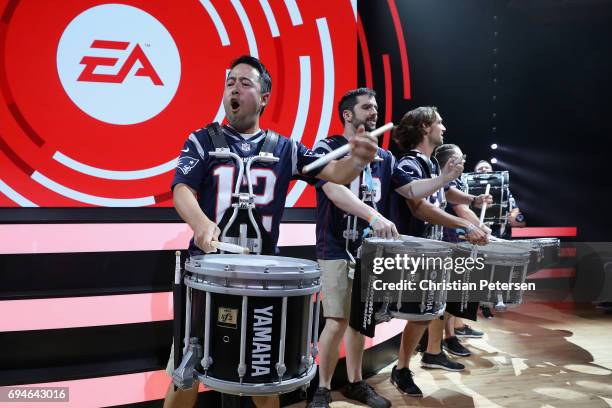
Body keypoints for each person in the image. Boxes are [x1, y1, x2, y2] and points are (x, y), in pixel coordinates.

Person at [164, 55, 379, 408]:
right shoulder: (202, 139)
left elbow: (336, 175)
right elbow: (181, 190)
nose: (234, 88)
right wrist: (201, 224)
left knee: (266, 378)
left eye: (245, 83)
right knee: (186, 371)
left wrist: (357, 160)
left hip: (262, 281)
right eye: (230, 82)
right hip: (206, 276)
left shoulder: (286, 148)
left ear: (264, 97)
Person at [308, 90, 466, 408]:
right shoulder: (327, 147)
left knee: (359, 322)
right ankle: (321, 388)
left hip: (369, 251)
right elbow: (335, 190)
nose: (374, 112)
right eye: (366, 108)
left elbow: (410, 189)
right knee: (337, 320)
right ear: (348, 115)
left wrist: (443, 179)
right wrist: (374, 215)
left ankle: (355, 382)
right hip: (336, 247)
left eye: (376, 108)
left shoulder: (386, 157)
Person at [386, 107, 491, 397]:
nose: (443, 127)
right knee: (418, 314)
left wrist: (472, 197)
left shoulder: (431, 164)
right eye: (439, 123)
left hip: (432, 250)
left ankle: (405, 366)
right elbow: (421, 206)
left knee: (426, 312)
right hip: (415, 250)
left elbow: (443, 193)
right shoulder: (408, 162)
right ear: (424, 127)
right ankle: (403, 368)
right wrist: (462, 224)